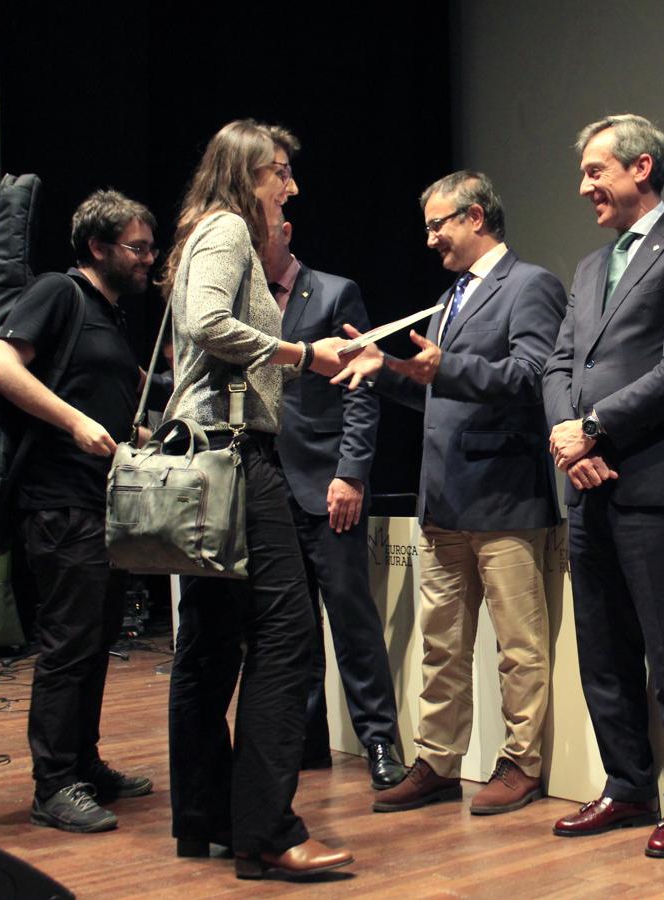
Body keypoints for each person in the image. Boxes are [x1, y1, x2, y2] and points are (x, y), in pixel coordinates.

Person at [162, 119, 358, 880]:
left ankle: (211, 821)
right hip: (237, 458)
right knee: (288, 638)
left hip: (210, 460)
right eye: (280, 172)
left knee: (209, 646)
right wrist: (305, 353)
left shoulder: (201, 234)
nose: (291, 186)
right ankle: (269, 830)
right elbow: (208, 324)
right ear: (247, 174)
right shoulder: (226, 233)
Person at [338, 171, 565, 816]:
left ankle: (521, 763)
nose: (431, 238)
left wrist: (447, 368)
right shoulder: (450, 298)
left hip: (503, 495)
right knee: (441, 644)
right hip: (443, 500)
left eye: (439, 224)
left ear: (475, 217)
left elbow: (532, 377)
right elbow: (439, 390)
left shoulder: (530, 285)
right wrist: (384, 373)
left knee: (518, 648)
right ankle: (438, 761)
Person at [542, 114, 664, 857]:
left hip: (656, 483)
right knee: (604, 652)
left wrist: (595, 427)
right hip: (586, 484)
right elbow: (559, 366)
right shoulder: (590, 269)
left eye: (596, 170)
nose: (584, 185)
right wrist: (571, 438)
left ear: (641, 168)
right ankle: (626, 786)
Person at [0, 189, 158, 833]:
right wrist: (77, 423)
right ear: (98, 247)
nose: (148, 259)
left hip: (101, 505)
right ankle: (53, 782)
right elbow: (2, 369)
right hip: (60, 502)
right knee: (67, 644)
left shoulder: (109, 315)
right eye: (137, 248)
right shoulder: (59, 293)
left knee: (97, 638)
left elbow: (111, 403)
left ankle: (83, 763)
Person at [261, 213, 405, 788]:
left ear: (288, 231)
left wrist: (351, 472)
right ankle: (307, 739)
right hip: (266, 483)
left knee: (351, 618)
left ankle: (378, 743)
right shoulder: (242, 303)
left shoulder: (335, 292)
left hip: (328, 484)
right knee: (289, 625)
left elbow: (362, 387)